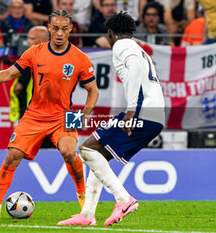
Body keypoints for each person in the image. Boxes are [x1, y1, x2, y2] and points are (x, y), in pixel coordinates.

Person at [0, 9, 99, 219]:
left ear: (70, 30)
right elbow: (10, 73)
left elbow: (93, 91)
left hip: (64, 115)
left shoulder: (80, 58)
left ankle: (83, 196)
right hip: (34, 115)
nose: (59, 33)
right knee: (12, 156)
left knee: (69, 152)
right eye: (56, 28)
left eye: (64, 29)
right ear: (49, 28)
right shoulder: (34, 52)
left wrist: (84, 115)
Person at [58, 11, 165, 226]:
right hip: (155, 114)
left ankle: (124, 200)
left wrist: (131, 111)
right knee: (97, 153)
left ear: (110, 33)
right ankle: (87, 215)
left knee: (87, 149)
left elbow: (133, 66)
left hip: (142, 112)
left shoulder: (122, 46)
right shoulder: (137, 47)